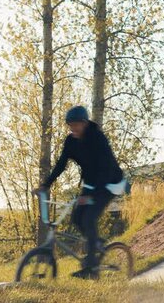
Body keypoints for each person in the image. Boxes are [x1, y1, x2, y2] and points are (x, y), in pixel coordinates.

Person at [36, 106, 124, 279]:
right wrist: (45, 185)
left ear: (85, 123)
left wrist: (91, 195)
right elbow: (61, 164)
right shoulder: (71, 141)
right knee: (76, 217)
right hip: (91, 183)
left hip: (110, 183)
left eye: (76, 125)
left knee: (89, 217)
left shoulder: (98, 138)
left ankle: (91, 269)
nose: (73, 129)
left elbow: (106, 168)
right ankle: (96, 242)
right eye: (70, 125)